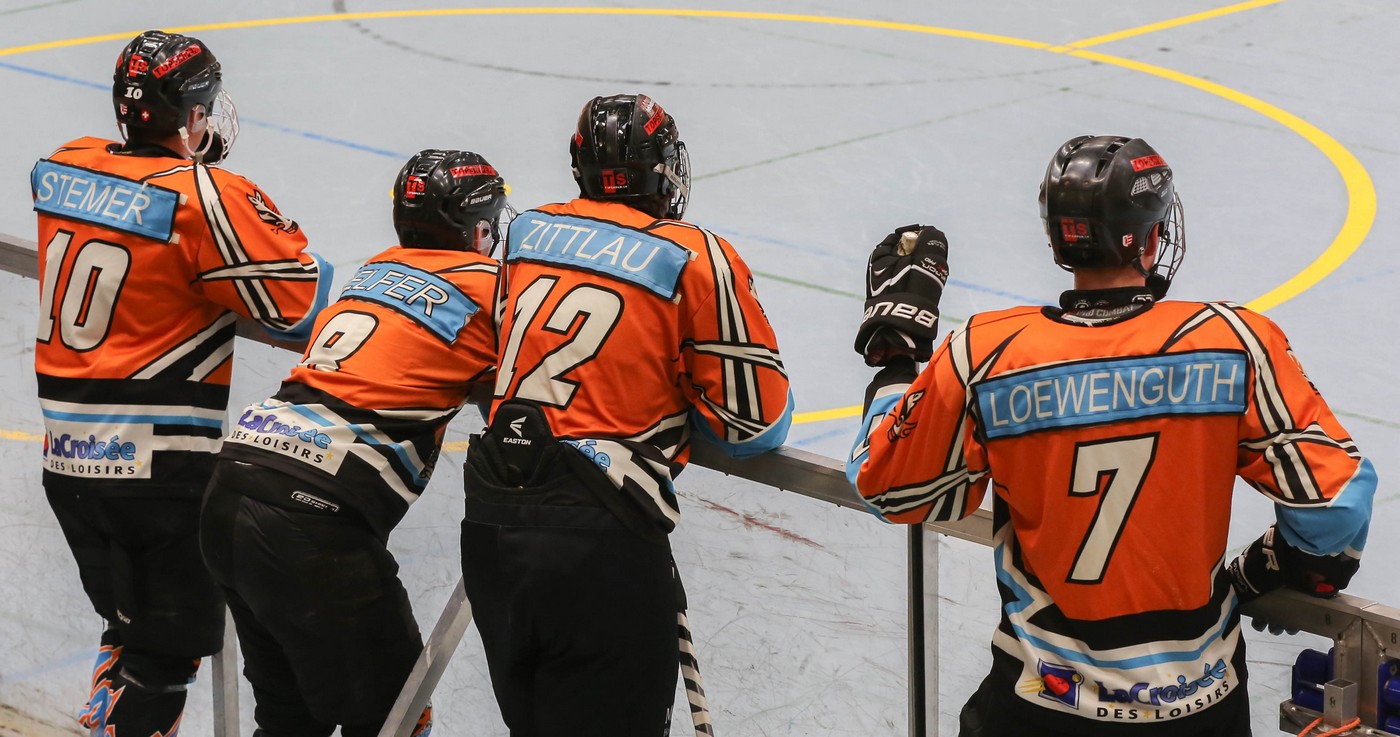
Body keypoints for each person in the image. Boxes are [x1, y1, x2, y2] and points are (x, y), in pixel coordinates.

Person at [846, 135, 1375, 737]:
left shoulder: (985, 352)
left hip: (1040, 708)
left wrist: (896, 358)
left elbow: (888, 488)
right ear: (1150, 238)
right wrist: (1279, 564)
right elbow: (1338, 502)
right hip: (1199, 708)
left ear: (1056, 240)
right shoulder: (1232, 341)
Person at [460, 93, 793, 735]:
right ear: (665, 169)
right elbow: (754, 424)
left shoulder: (527, 232)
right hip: (598, 540)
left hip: (492, 521)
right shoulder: (695, 255)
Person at [31, 30, 331, 737]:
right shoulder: (207, 197)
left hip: (68, 462)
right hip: (155, 475)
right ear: (195, 115)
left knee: (128, 628)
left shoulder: (61, 164)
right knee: (164, 663)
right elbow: (298, 301)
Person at [199, 149, 511, 737]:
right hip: (313, 518)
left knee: (290, 719)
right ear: (477, 229)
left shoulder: (375, 268)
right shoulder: (494, 287)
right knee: (394, 720)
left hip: (232, 485)